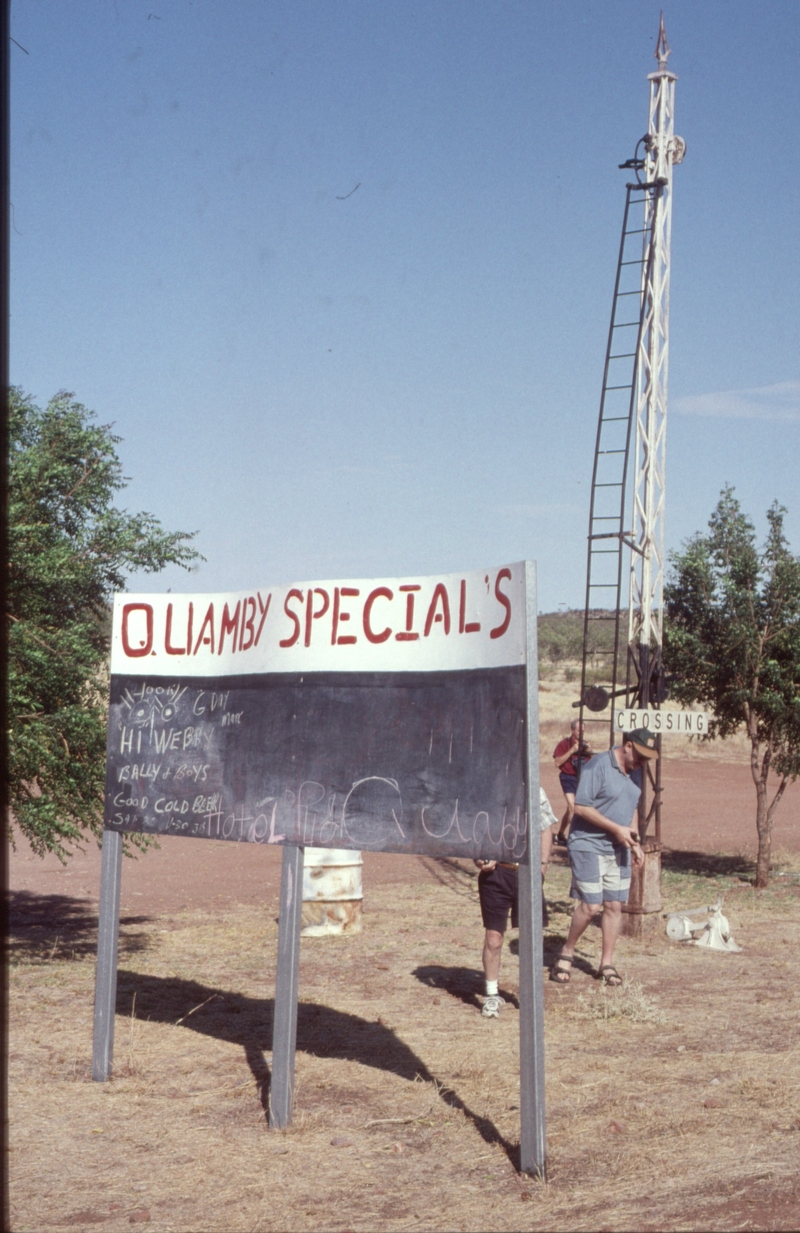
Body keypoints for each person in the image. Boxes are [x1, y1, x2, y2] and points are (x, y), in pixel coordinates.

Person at [550, 728, 658, 987]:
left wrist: (634, 840)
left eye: (647, 758)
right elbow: (581, 807)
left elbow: (632, 806)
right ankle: (566, 953)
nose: (642, 762)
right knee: (591, 906)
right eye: (640, 755)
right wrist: (616, 829)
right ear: (628, 746)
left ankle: (606, 963)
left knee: (614, 906)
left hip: (619, 846)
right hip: (587, 843)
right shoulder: (598, 765)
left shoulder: (637, 772)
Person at [474, 786, 558, 1018]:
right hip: (496, 875)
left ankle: (531, 996)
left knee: (531, 936)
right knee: (494, 937)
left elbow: (545, 828)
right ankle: (491, 994)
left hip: (527, 872)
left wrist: (541, 866)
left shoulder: (533, 786)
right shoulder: (484, 789)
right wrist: (480, 859)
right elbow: (473, 831)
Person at [552, 719, 593, 846]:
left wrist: (589, 751)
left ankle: (560, 834)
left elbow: (589, 764)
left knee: (579, 808)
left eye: (583, 730)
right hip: (567, 777)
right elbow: (557, 762)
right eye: (579, 730)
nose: (581, 733)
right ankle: (571, 836)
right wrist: (572, 750)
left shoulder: (584, 744)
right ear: (572, 730)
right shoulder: (564, 744)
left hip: (580, 778)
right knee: (572, 807)